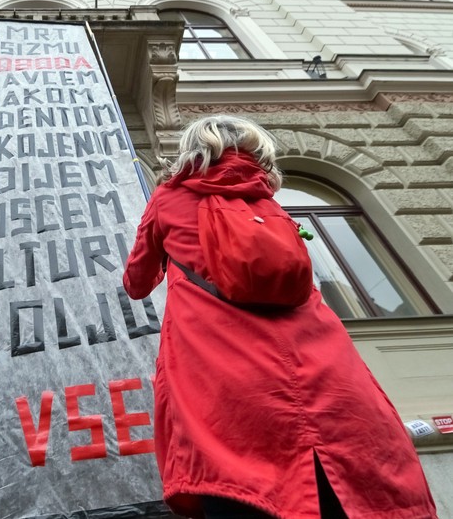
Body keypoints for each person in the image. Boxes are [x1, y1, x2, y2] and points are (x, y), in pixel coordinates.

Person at [123, 115, 437, 519]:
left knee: (243, 484)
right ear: (256, 150)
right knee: (348, 484)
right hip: (323, 366)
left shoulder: (168, 198)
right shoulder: (266, 200)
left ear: (193, 148)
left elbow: (136, 283)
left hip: (221, 369)